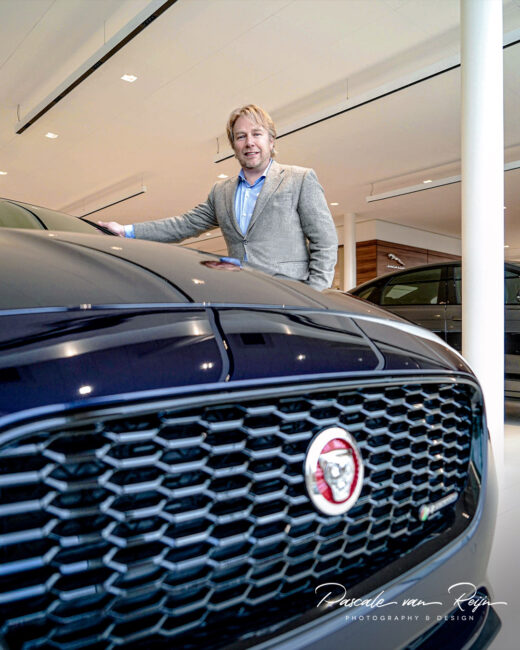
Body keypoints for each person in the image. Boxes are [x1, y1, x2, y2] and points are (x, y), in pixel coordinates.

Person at [99, 104, 338, 290]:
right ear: (233, 145)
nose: (249, 142)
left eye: (257, 134)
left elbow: (325, 241)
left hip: (290, 296)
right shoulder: (221, 192)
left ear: (271, 140)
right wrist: (126, 231)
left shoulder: (299, 179)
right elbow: (183, 225)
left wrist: (314, 293)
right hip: (241, 296)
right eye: (241, 136)